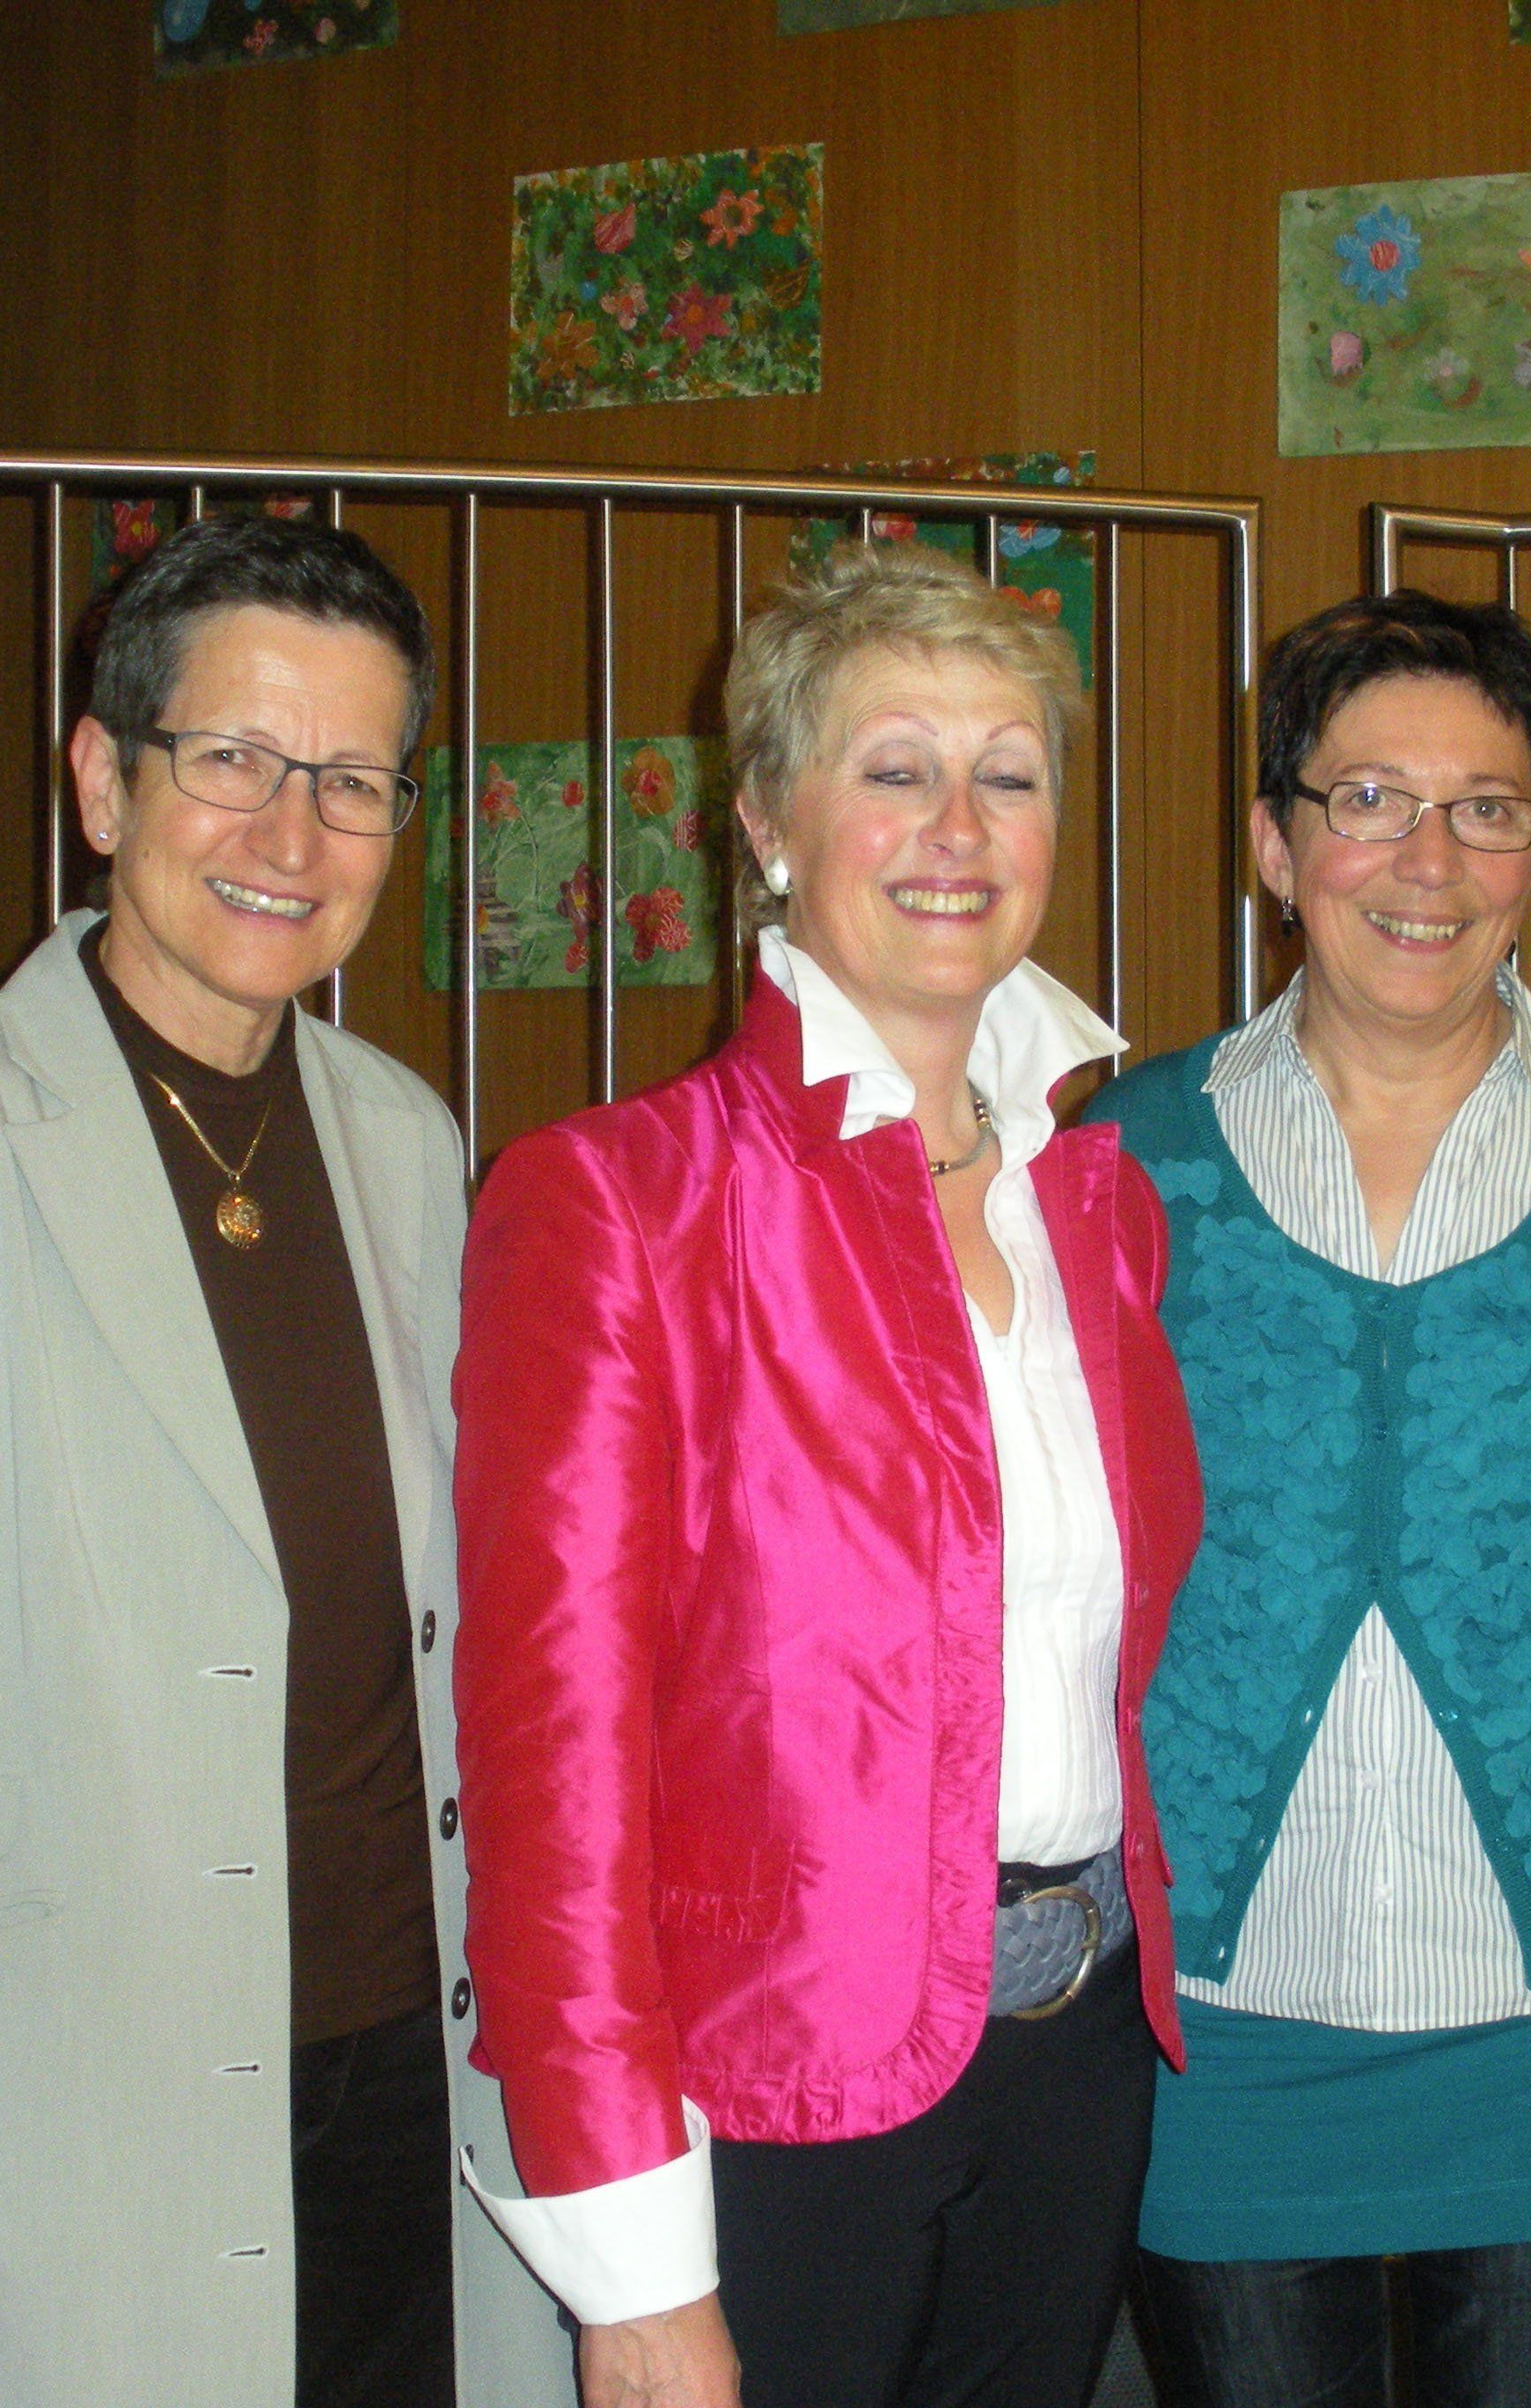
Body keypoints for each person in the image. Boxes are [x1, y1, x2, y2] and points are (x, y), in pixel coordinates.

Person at [0, 513, 569, 2408]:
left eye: (352, 781)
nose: (293, 834)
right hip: (79, 2113)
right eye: (234, 759)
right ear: (104, 781)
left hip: (413, 2084)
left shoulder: (405, 1140)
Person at [448, 543, 1205, 2408]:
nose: (959, 827)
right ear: (769, 824)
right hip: (776, 2088)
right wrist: (631, 2262)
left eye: (1008, 774)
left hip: (1079, 2049)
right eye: (893, 769)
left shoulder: (1097, 1205)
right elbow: (553, 1773)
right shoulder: (621, 1202)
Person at [1087, 590, 1531, 2408]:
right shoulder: (1120, 1160)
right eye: (1369, 800)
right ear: (1276, 845)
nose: (1430, 861)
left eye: (1487, 809)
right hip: (1218, 2042)